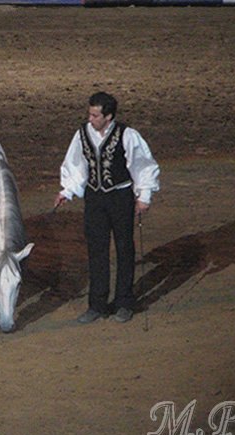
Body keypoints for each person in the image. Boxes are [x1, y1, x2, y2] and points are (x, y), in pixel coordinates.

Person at [54, 91, 160, 324]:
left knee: (124, 249)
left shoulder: (127, 135)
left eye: (95, 115)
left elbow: (142, 165)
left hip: (120, 197)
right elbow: (77, 165)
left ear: (108, 116)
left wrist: (144, 196)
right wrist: (67, 191)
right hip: (95, 199)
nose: (90, 119)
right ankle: (98, 304)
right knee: (96, 250)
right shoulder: (82, 134)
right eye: (90, 114)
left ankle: (124, 302)